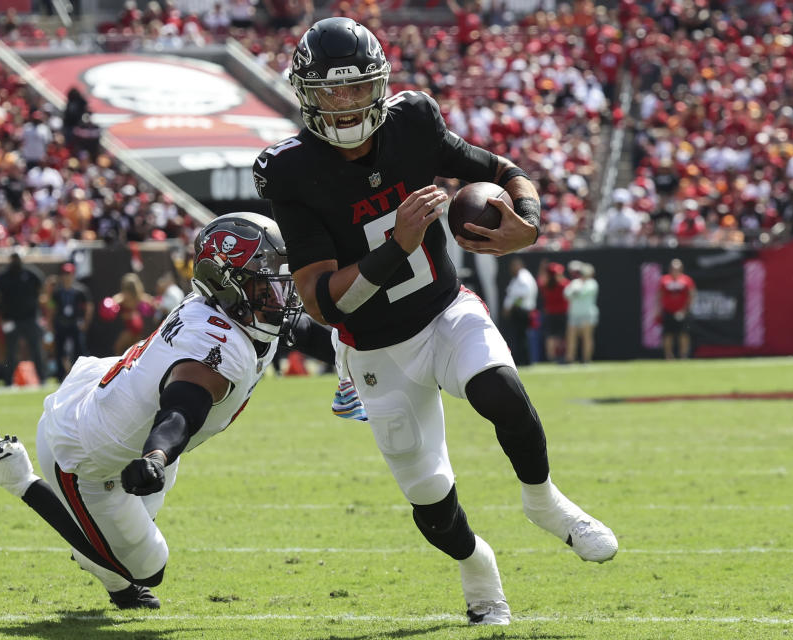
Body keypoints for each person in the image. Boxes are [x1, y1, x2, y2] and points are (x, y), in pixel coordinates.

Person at [253, 17, 617, 626]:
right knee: (429, 497)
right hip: (373, 350)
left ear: (380, 85)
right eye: (329, 91)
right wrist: (397, 245)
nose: (343, 104)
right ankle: (478, 568)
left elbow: (500, 170)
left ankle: (544, 501)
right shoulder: (291, 170)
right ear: (305, 93)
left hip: (444, 310)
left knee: (501, 388)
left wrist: (526, 221)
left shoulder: (412, 122)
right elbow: (321, 301)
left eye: (355, 88)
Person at [0, 213, 304, 609]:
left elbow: (304, 330)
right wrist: (156, 456)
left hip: (117, 413)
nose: (280, 292)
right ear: (229, 284)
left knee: (123, 553)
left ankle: (109, 567)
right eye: (265, 280)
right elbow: (180, 412)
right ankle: (16, 476)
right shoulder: (216, 346)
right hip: (86, 455)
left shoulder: (230, 312)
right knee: (148, 568)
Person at [0, 252, 45, 383]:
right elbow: (0, 298)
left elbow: (42, 286)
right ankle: (8, 380)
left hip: (30, 318)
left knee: (36, 349)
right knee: (11, 351)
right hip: (11, 319)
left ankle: (42, 378)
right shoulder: (3, 276)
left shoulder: (30, 274)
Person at [51, 262, 92, 381]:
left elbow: (89, 307)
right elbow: (51, 307)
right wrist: (50, 323)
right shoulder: (57, 292)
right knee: (59, 350)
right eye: (64, 274)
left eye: (69, 274)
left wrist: (85, 322)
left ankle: (82, 374)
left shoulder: (80, 290)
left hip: (75, 323)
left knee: (80, 350)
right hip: (61, 323)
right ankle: (61, 375)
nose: (66, 277)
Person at [501, 256, 537, 366]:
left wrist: (511, 307)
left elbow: (522, 294)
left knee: (521, 337)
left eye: (514, 265)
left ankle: (524, 361)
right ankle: (521, 360)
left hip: (521, 311)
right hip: (519, 311)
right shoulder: (517, 277)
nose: (512, 268)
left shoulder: (523, 276)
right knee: (519, 337)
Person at [659, 258, 696, 359]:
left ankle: (683, 355)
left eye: (677, 268)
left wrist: (685, 310)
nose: (675, 270)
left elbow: (691, 295)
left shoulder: (686, 280)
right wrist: (657, 310)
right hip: (668, 311)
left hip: (682, 312)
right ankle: (668, 356)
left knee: (683, 334)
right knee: (668, 334)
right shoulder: (664, 280)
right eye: (673, 268)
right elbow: (659, 296)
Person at [563, 262, 599, 364]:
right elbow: (566, 294)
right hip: (574, 314)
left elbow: (581, 293)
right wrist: (575, 292)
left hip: (587, 314)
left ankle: (586, 359)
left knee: (587, 337)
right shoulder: (575, 282)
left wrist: (575, 292)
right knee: (571, 337)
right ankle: (570, 359)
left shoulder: (592, 283)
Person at [537, 261, 569, 363]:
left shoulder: (545, 285)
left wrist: (542, 270)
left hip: (550, 314)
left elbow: (540, 280)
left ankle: (551, 358)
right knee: (561, 336)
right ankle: (560, 357)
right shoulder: (563, 284)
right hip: (561, 314)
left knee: (551, 336)